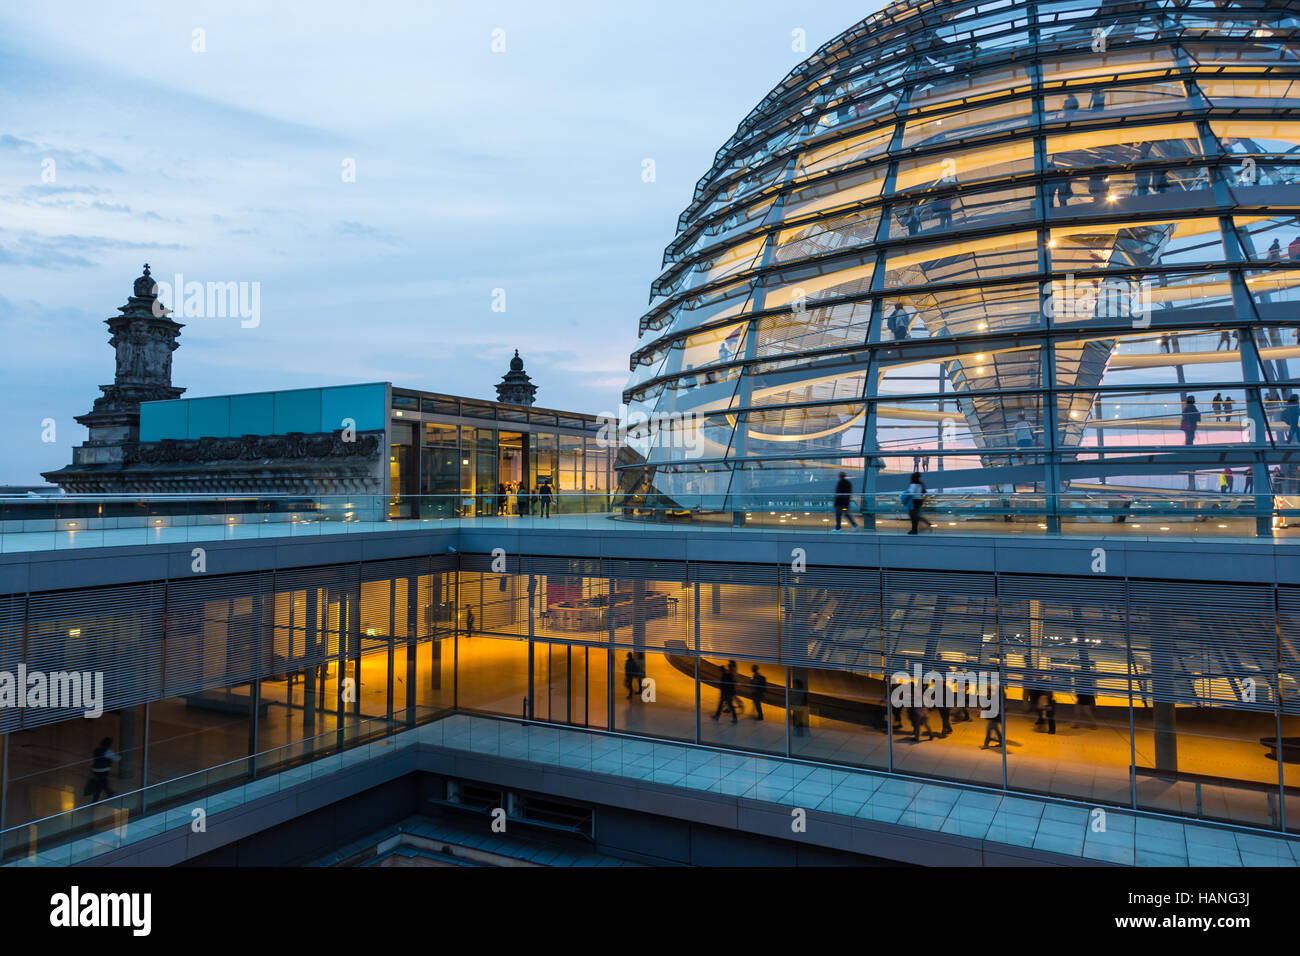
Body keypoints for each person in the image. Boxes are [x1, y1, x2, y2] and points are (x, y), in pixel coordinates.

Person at [85, 738, 120, 802]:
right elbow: (117, 759)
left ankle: (109, 793)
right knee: (100, 784)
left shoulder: (96, 750)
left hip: (95, 769)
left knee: (103, 782)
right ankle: (95, 800)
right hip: (103, 770)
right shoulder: (107, 751)